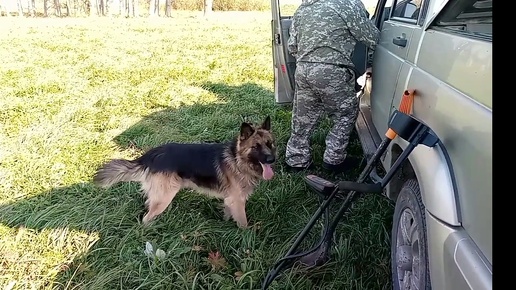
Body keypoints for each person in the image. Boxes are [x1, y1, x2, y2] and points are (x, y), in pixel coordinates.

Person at [284, 0, 380, 173]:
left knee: (302, 117)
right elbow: (373, 38)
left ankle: (296, 160)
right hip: (331, 71)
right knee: (346, 112)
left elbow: (292, 46)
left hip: (303, 68)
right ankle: (333, 160)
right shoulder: (347, 5)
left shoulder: (304, 8)